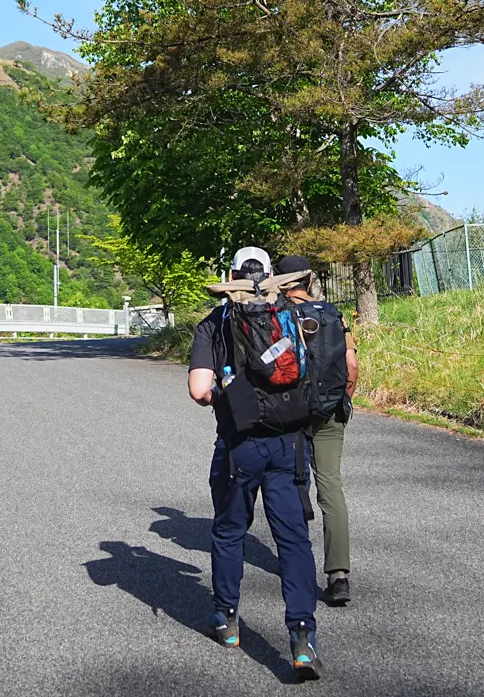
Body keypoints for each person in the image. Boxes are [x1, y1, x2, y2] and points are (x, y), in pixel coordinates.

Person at [188, 246, 321, 680]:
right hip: (289, 442)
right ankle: (302, 637)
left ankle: (227, 620)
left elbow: (199, 390)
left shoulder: (216, 323)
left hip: (239, 444)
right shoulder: (293, 314)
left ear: (232, 275)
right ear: (269, 275)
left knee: (229, 532)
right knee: (293, 540)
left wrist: (225, 394)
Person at [276, 254, 357, 607]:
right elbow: (351, 365)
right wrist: (342, 399)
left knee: (290, 482)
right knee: (331, 487)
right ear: (308, 280)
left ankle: (297, 564)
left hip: (291, 413)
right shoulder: (333, 314)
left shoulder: (277, 316)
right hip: (331, 410)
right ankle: (338, 576)